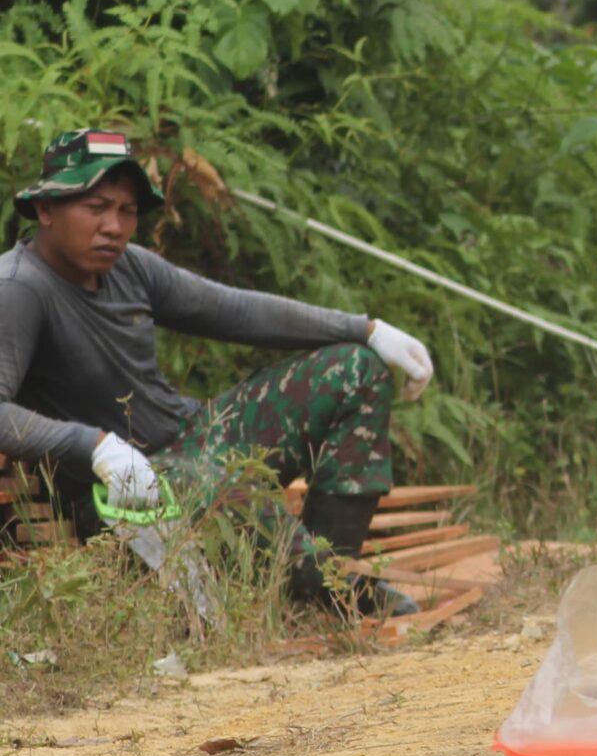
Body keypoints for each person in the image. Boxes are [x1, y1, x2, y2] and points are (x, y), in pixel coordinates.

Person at [0, 128, 435, 615]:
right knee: (216, 479)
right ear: (46, 209)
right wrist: (93, 446)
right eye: (96, 207)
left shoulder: (131, 267)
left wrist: (365, 329)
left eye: (127, 211)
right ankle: (320, 587)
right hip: (115, 493)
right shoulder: (19, 289)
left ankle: (326, 581)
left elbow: (236, 311)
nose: (114, 227)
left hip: (191, 443)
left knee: (354, 369)